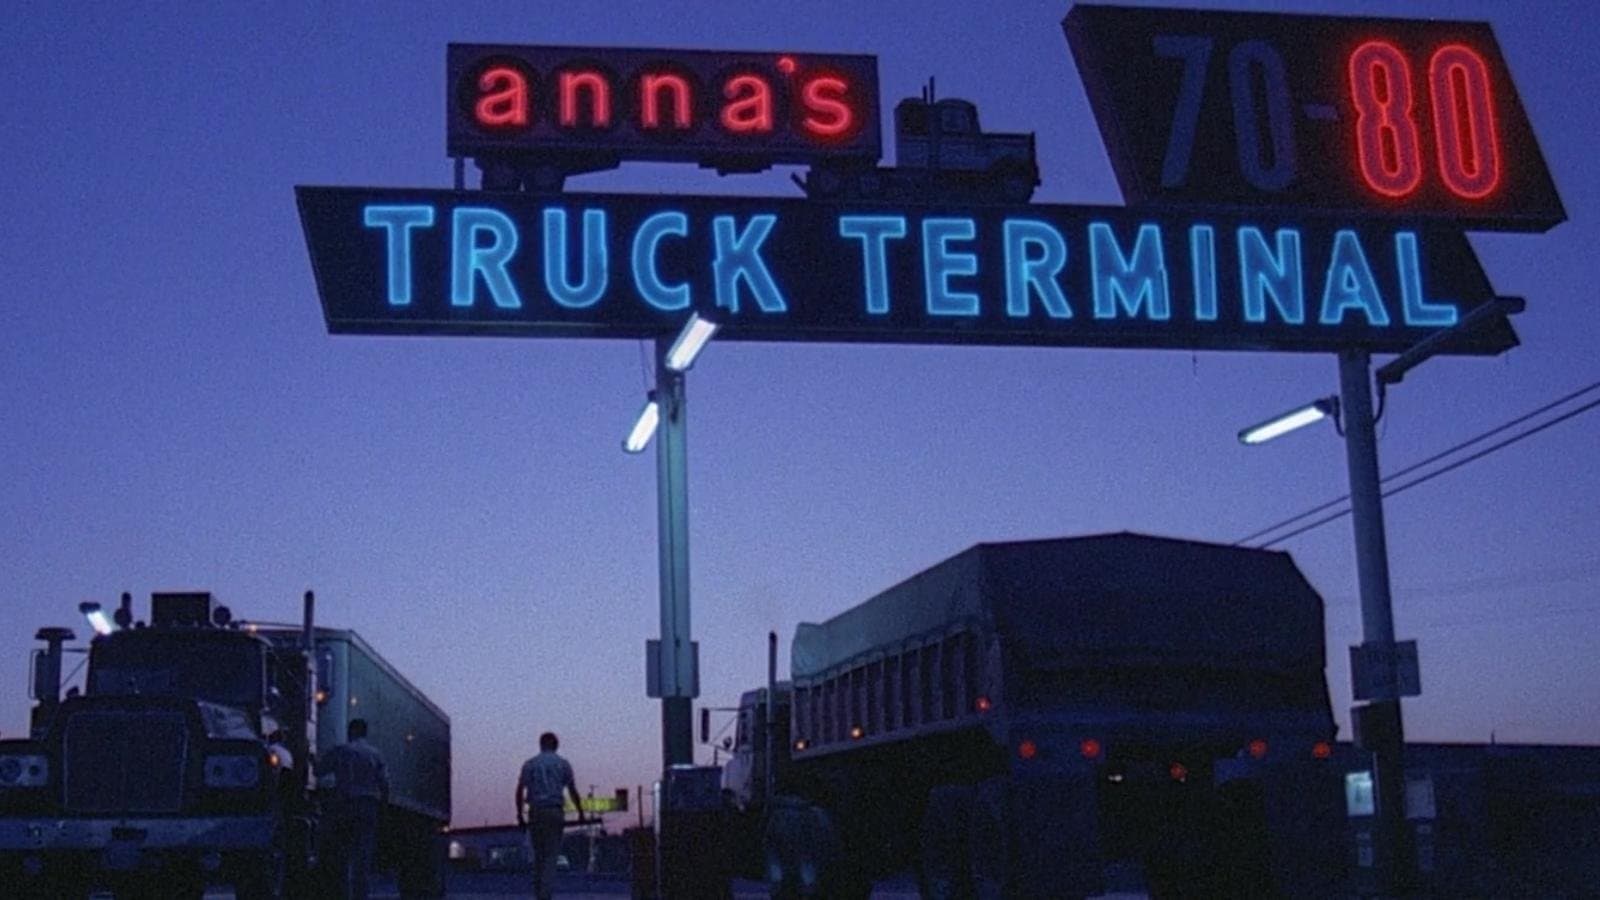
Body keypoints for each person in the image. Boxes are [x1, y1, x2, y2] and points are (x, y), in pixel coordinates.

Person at [318, 718, 390, 900]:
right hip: (367, 807)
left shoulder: (340, 751)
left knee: (342, 856)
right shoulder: (375, 754)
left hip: (344, 806)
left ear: (351, 732)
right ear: (365, 732)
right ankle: (360, 895)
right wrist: (383, 808)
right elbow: (384, 784)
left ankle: (343, 894)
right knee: (363, 857)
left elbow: (319, 771)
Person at [516, 731, 585, 900]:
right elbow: (572, 790)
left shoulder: (530, 764)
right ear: (556, 745)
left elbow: (519, 790)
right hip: (554, 811)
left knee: (538, 855)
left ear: (541, 744)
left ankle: (538, 893)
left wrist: (519, 814)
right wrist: (580, 812)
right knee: (550, 856)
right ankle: (545, 895)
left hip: (536, 811)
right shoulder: (563, 764)